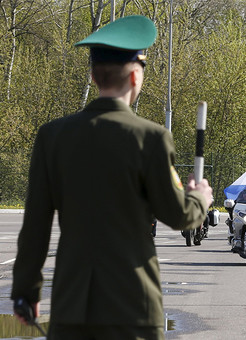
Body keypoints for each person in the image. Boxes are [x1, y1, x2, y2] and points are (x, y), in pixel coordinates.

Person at [11, 15, 213, 340]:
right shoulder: (151, 138)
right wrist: (199, 198)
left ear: (92, 75)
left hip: (72, 306)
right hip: (132, 308)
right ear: (135, 76)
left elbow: (35, 226)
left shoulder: (52, 137)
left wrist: (26, 291)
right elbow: (178, 215)